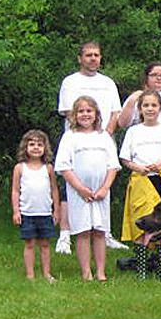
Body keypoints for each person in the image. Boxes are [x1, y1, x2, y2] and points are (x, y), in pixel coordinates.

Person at [56, 41, 125, 254]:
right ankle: (65, 235)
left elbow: (115, 113)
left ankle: (106, 234)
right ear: (80, 58)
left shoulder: (108, 83)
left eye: (96, 55)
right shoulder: (71, 82)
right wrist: (84, 130)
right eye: (88, 55)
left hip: (101, 140)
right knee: (72, 189)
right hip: (77, 141)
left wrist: (104, 135)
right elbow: (69, 111)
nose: (93, 58)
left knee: (103, 187)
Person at [55, 96, 120, 281]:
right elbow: (64, 166)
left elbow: (112, 165)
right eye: (81, 111)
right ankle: (86, 272)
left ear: (96, 114)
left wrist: (105, 188)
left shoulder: (104, 137)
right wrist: (80, 188)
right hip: (79, 192)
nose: (85, 114)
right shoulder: (70, 137)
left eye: (89, 111)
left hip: (101, 192)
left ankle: (100, 271)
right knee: (83, 231)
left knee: (99, 231)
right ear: (74, 115)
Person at [119, 90, 161, 281]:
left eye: (154, 105)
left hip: (160, 180)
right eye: (146, 105)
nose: (150, 109)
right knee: (140, 221)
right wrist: (137, 167)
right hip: (140, 179)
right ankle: (142, 269)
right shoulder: (133, 131)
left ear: (160, 108)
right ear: (140, 109)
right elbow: (124, 158)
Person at [11, 129, 60, 283]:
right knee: (30, 243)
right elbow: (15, 190)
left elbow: (54, 189)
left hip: (45, 213)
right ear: (25, 147)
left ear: (45, 148)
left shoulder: (48, 168)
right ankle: (30, 275)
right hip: (27, 213)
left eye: (40, 144)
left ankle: (47, 274)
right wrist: (16, 211)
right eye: (32, 144)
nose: (36, 147)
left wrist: (56, 210)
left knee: (45, 244)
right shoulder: (20, 168)